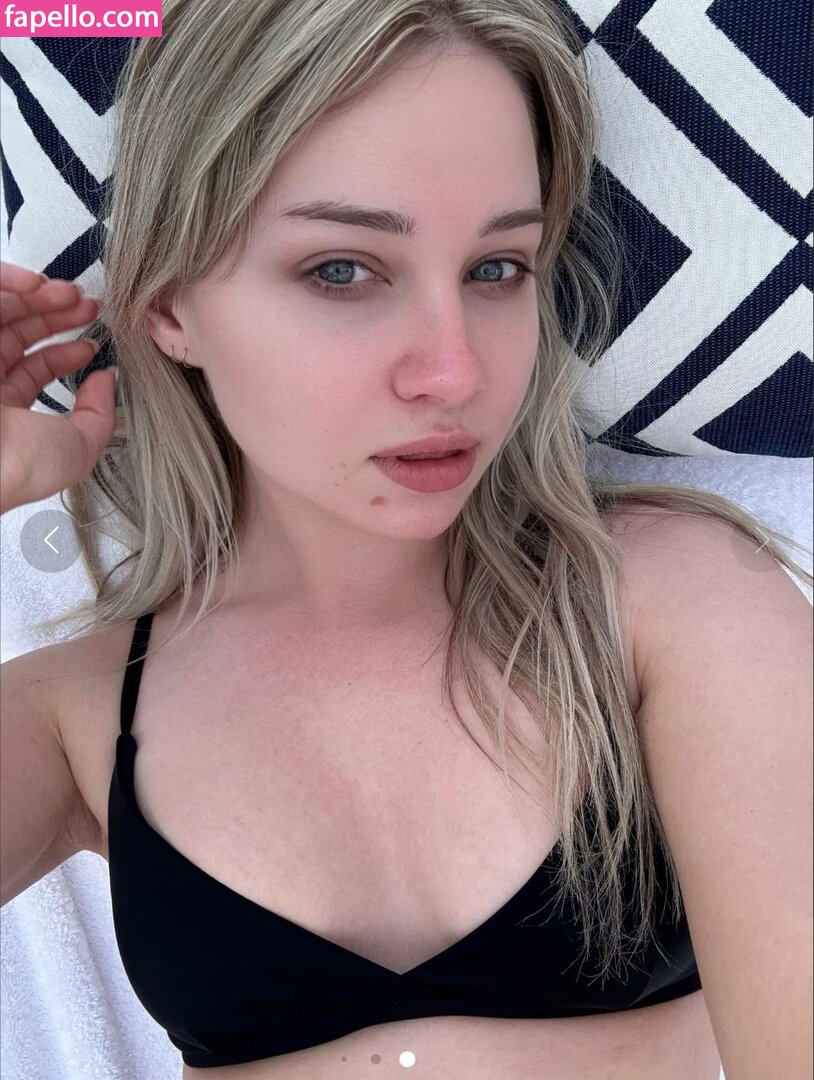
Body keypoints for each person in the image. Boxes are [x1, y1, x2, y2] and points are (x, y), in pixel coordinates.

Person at [1, 1, 811, 1077]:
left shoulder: (679, 602)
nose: (455, 371)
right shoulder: (75, 709)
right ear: (169, 307)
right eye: (343, 270)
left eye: (496, 269)